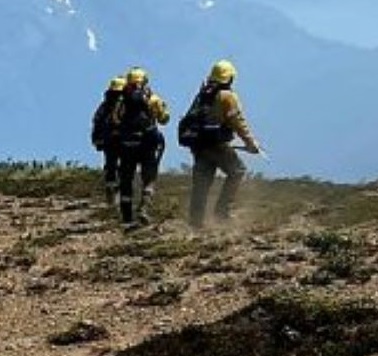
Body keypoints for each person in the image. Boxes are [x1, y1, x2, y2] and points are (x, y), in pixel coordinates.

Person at [176, 60, 263, 229]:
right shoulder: (227, 96)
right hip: (217, 145)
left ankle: (195, 222)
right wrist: (251, 144)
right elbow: (238, 122)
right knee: (237, 171)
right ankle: (222, 212)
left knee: (201, 183)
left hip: (199, 146)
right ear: (229, 78)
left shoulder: (203, 93)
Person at [111, 67, 170, 229]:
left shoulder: (122, 101)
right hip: (148, 145)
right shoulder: (153, 99)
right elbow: (164, 118)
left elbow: (116, 120)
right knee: (149, 179)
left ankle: (127, 219)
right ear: (144, 81)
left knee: (126, 181)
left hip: (127, 146)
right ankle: (144, 208)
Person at [90, 75, 127, 207]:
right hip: (123, 140)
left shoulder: (105, 105)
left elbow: (97, 122)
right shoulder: (128, 104)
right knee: (125, 167)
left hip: (109, 141)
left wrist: (96, 140)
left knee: (110, 166)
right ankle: (122, 194)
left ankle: (111, 195)